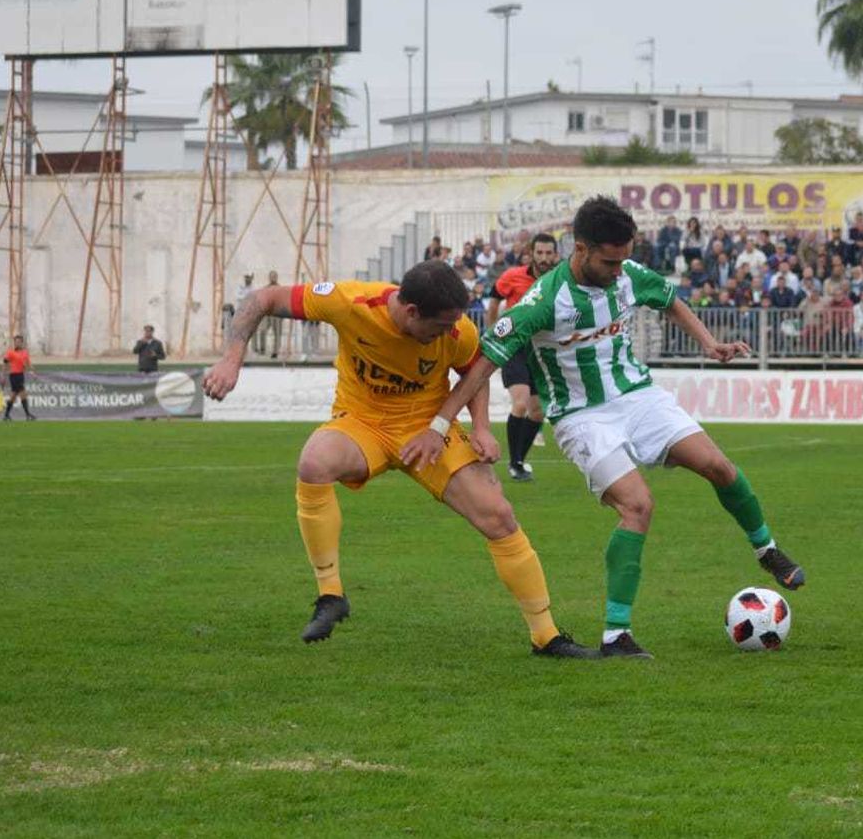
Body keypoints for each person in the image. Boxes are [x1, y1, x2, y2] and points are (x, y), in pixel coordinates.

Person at [400, 196, 807, 659]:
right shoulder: (541, 301)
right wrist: (440, 424)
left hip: (638, 395)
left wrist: (710, 344)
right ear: (581, 249)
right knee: (638, 506)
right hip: (581, 416)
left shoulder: (628, 274)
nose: (619, 270)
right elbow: (480, 366)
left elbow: (671, 299)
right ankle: (617, 635)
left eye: (623, 259)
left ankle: (766, 549)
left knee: (719, 466)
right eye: (609, 261)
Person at [200, 260, 596, 659]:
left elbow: (474, 371)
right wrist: (232, 358)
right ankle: (331, 595)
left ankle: (545, 636)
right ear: (411, 312)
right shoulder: (350, 302)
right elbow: (261, 298)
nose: (449, 332)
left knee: (498, 514)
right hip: (362, 424)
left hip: (429, 430)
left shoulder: (458, 329)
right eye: (440, 326)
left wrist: (479, 428)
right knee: (314, 463)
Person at [485, 232, 560, 483]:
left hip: (541, 351)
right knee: (520, 403)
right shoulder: (513, 276)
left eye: (549, 253)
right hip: (515, 347)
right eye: (540, 253)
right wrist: (495, 333)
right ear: (532, 253)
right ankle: (515, 464)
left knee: (538, 413)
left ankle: (518, 461)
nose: (544, 258)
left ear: (556, 254)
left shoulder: (560, 279)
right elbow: (494, 299)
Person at [1, 335, 36, 421]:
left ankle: (6, 415)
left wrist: (32, 371)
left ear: (22, 343)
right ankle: (27, 415)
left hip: (21, 375)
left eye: (19, 342)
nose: (17, 343)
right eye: (16, 342)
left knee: (13, 396)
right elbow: (5, 363)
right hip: (14, 375)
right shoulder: (10, 352)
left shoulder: (25, 353)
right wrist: (3, 375)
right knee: (22, 393)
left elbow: (28, 364)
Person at [257, 272, 283, 358]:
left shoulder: (281, 289)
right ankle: (262, 349)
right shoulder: (265, 289)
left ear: (277, 277)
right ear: (269, 278)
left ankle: (275, 351)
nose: (273, 278)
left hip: (277, 314)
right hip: (267, 314)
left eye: (275, 276)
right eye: (272, 276)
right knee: (262, 330)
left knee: (277, 333)